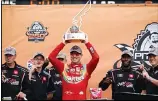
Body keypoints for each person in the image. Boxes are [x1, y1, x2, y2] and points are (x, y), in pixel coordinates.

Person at [48, 34, 99, 100]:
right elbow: (51, 57)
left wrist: (87, 43)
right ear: (70, 55)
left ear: (81, 55)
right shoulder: (64, 68)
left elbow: (96, 58)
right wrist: (63, 43)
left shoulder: (86, 68)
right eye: (72, 53)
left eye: (77, 54)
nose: (74, 56)